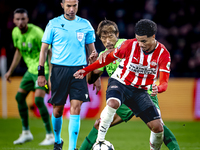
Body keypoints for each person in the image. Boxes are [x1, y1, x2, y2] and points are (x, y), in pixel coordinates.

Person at [80, 20, 180, 150]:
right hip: (123, 93)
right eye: (103, 37)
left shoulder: (127, 44)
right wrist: (92, 65)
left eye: (110, 36)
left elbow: (125, 50)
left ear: (117, 34)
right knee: (100, 123)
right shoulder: (103, 55)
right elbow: (91, 79)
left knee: (158, 126)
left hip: (143, 92)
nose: (107, 40)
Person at [37, 0, 98, 150]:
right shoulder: (53, 24)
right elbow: (44, 49)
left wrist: (96, 75)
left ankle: (71, 148)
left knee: (76, 107)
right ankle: (58, 141)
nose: (72, 9)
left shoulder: (85, 25)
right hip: (59, 71)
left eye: (74, 5)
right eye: (69, 5)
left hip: (79, 70)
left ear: (78, 5)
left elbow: (92, 51)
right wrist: (41, 72)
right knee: (57, 110)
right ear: (62, 5)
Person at [4, 8, 54, 145]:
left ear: (27, 19)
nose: (20, 22)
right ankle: (26, 132)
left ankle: (50, 135)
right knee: (19, 97)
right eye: (18, 19)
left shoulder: (37, 33)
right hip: (29, 71)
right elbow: (18, 52)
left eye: (23, 19)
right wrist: (10, 71)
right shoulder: (15, 33)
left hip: (41, 71)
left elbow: (49, 53)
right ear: (14, 21)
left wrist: (50, 75)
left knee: (38, 100)